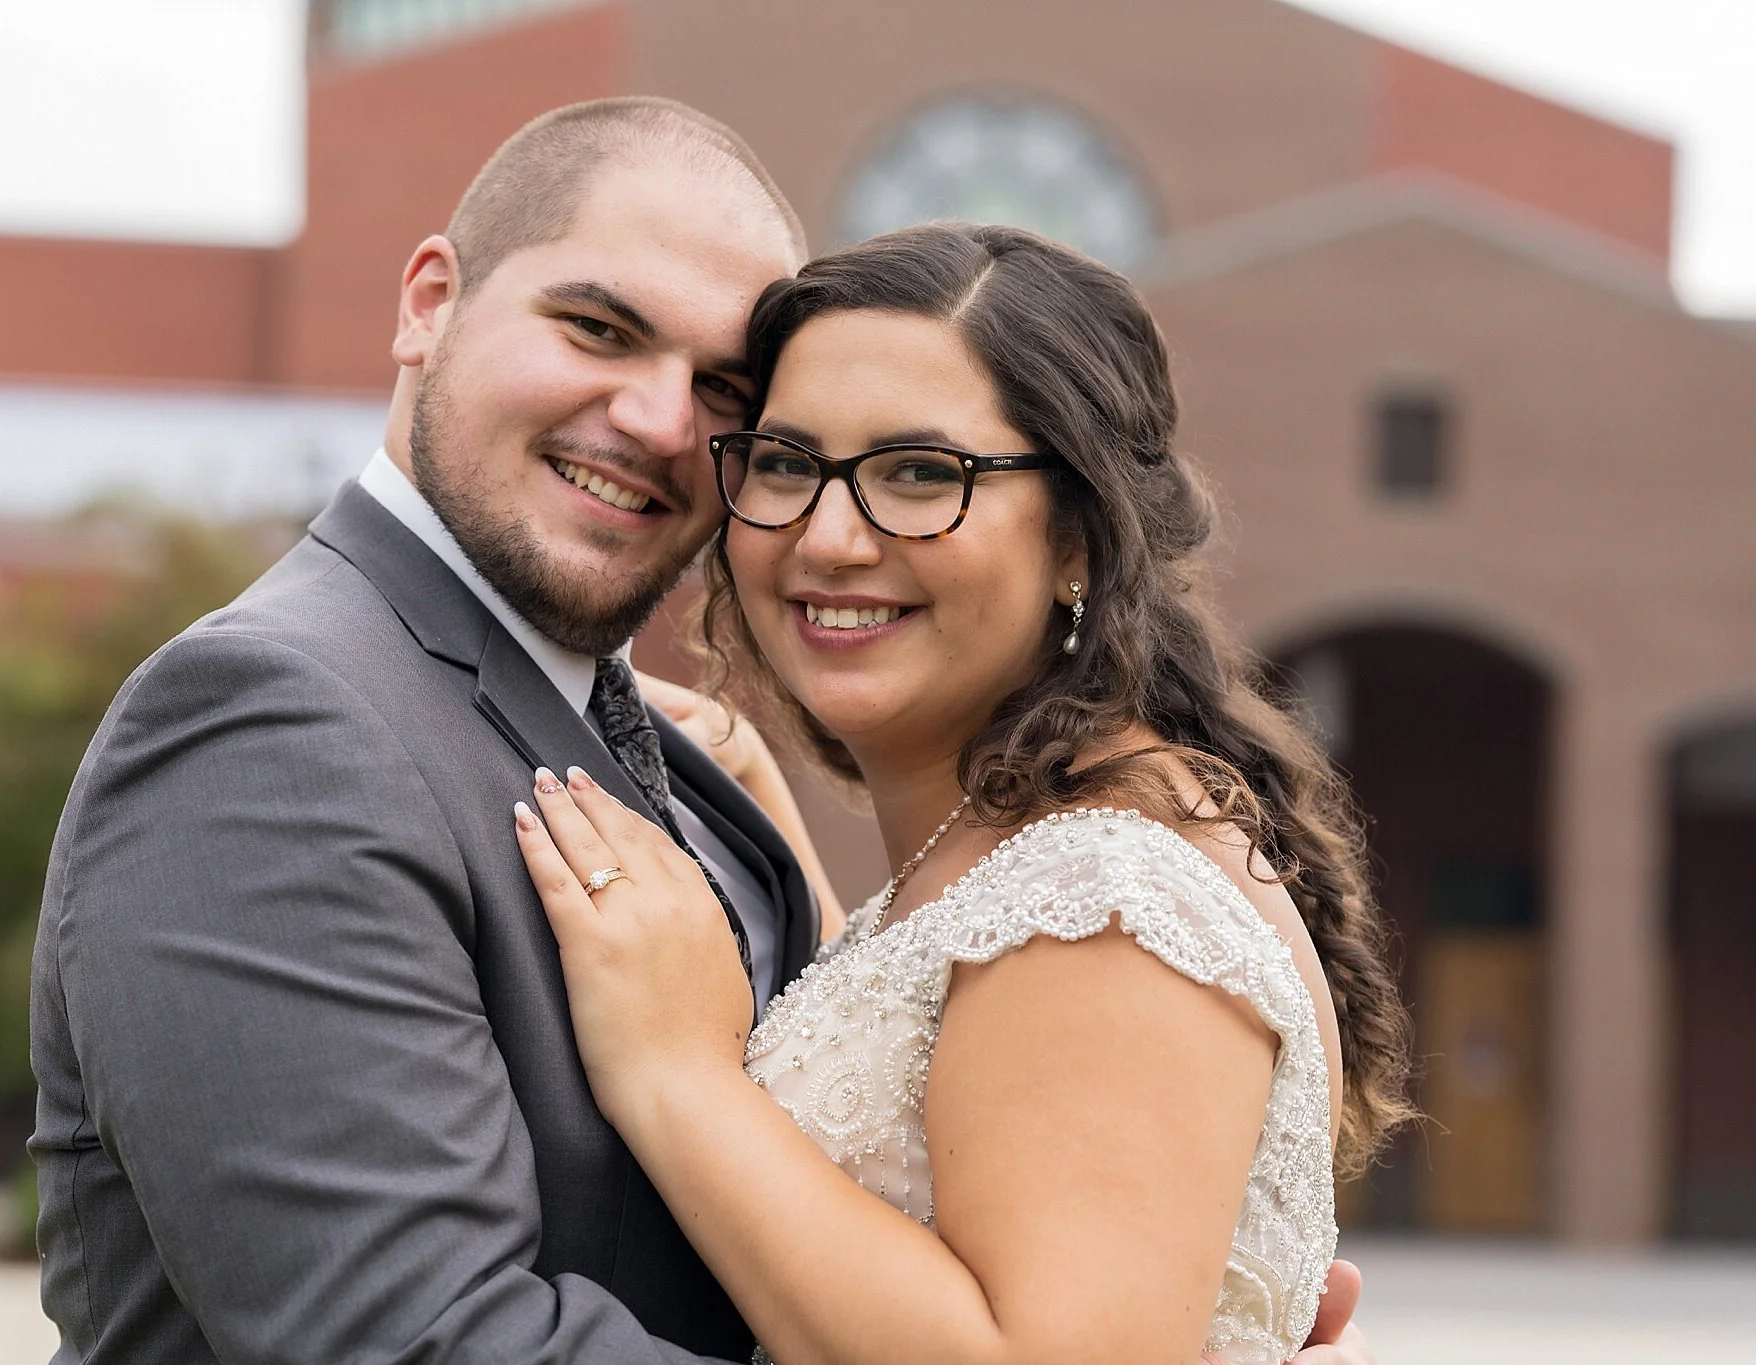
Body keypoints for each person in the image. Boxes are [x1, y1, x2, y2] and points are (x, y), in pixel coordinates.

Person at [30, 95, 1376, 1361]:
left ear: (1081, 537)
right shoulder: (274, 726)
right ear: (430, 304)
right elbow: (416, 1336)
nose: (660, 423)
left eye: (726, 394)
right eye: (600, 331)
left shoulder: (727, 786)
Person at [512, 222, 1415, 1363]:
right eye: (786, 465)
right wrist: (753, 812)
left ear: (1081, 534)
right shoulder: (1046, 843)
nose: (828, 537)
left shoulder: (1105, 903)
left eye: (920, 475)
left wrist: (674, 1073)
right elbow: (941, 1092)